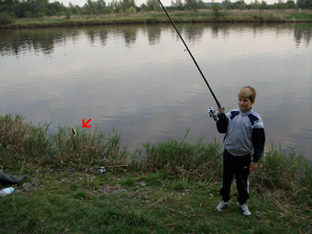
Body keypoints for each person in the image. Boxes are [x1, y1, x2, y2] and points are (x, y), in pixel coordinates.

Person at [215, 86, 265, 216]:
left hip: (244, 156)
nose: (242, 103)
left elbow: (259, 142)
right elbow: (222, 129)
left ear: (252, 102)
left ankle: (242, 202)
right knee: (226, 179)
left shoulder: (256, 120)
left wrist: (255, 160)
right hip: (229, 153)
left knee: (242, 182)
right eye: (240, 100)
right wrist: (221, 117)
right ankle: (224, 200)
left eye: (245, 101)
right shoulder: (231, 114)